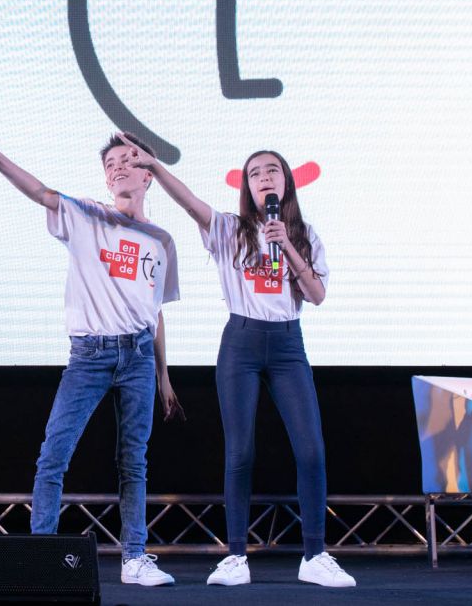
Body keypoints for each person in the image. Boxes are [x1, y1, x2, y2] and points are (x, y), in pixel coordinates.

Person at [121, 136, 354, 587]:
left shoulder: (303, 235)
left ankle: (315, 555)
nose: (263, 178)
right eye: (254, 173)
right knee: (240, 451)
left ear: (286, 182)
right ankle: (235, 557)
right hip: (241, 343)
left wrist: (287, 245)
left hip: (288, 344)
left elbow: (317, 295)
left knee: (311, 449)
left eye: (271, 171)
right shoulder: (230, 228)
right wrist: (156, 166)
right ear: (247, 186)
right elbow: (190, 203)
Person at [0, 128, 180, 586]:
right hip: (90, 355)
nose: (118, 168)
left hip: (139, 356)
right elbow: (41, 192)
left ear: (148, 175)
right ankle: (41, 554)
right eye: (110, 164)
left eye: (128, 160)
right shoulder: (87, 215)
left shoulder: (161, 240)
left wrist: (164, 376)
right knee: (54, 454)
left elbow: (156, 310)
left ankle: (134, 558)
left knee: (134, 461)